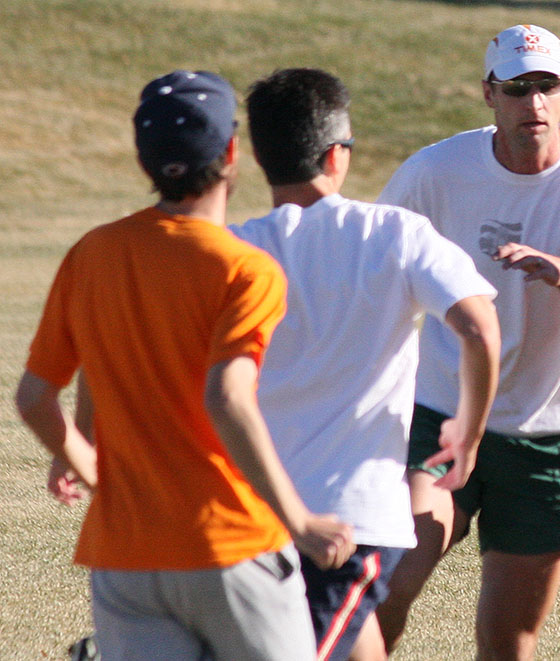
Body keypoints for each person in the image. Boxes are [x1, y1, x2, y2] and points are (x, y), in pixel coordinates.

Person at [16, 70, 355, 661]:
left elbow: (34, 397)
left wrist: (87, 466)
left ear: (144, 158)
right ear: (231, 153)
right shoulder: (245, 270)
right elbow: (228, 398)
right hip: (229, 543)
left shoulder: (92, 253)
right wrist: (298, 520)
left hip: (125, 555)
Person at [375, 24, 560, 659]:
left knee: (509, 639)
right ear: (488, 94)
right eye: (517, 88)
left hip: (553, 432)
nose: (534, 103)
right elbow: (373, 273)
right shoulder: (436, 171)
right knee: (387, 587)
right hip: (443, 413)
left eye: (546, 86)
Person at [229, 68, 501, 661]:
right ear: (337, 154)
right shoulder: (393, 233)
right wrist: (470, 430)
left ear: (257, 155)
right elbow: (479, 327)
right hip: (349, 524)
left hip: (247, 516)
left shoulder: (234, 248)